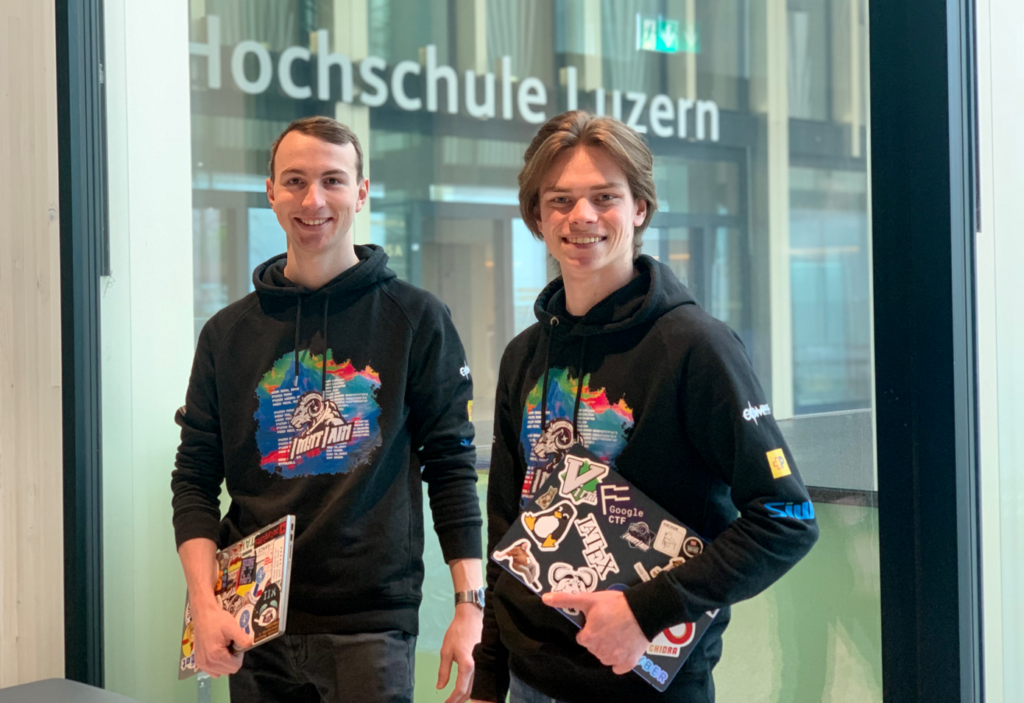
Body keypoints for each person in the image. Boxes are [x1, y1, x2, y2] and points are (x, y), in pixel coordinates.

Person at [470, 111, 819, 703]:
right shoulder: (524, 355)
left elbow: (786, 520)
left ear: (640, 208)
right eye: (560, 200)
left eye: (605, 196)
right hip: (530, 682)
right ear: (536, 217)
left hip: (648, 685)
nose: (582, 216)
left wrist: (645, 611)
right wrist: (489, 676)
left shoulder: (697, 347)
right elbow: (507, 526)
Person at [172, 116, 484, 703]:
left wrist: (470, 606)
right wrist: (204, 604)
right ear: (271, 192)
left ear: (361, 193)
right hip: (253, 619)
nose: (313, 200)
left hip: (370, 626)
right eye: (295, 181)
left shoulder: (416, 319)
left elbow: (450, 466)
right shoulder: (226, 334)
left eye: (333, 181)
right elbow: (193, 479)